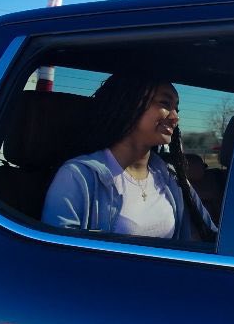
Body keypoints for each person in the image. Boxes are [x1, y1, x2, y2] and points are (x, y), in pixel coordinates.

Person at [42, 73, 218, 242]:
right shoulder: (79, 177)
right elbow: (59, 260)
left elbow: (212, 234)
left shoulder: (172, 178)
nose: (175, 117)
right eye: (165, 103)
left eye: (176, 108)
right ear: (129, 105)